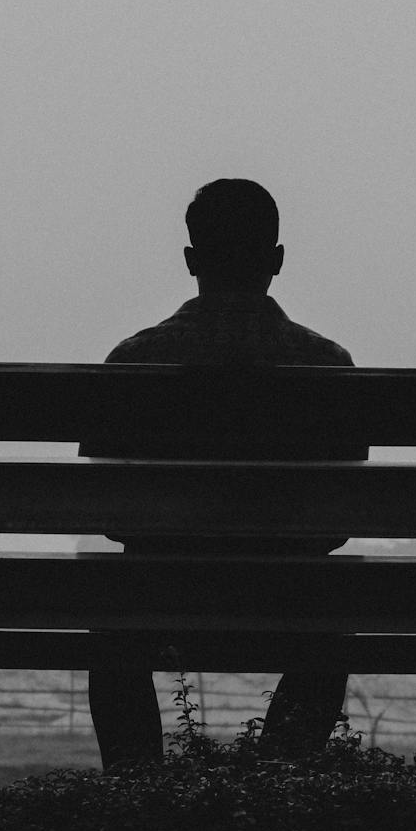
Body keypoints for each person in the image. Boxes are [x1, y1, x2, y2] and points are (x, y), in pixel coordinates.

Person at [78, 178, 367, 767]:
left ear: (191, 260)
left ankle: (136, 791)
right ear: (277, 261)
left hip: (156, 595)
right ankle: (276, 782)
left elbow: (104, 511)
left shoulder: (133, 362)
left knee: (111, 630)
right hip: (289, 598)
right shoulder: (329, 368)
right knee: (331, 633)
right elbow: (339, 522)